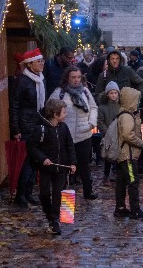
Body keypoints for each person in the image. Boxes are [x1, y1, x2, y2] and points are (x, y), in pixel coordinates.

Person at [27, 99, 77, 235]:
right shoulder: (41, 129)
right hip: (46, 168)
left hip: (61, 167)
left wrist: (72, 163)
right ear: (55, 114)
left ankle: (54, 219)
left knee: (58, 193)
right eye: (64, 112)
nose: (66, 115)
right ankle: (49, 214)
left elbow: (69, 145)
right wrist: (43, 159)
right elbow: (31, 146)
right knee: (44, 193)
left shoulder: (63, 128)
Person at [51, 66, 99, 200]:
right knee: (64, 164)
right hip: (66, 135)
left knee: (84, 164)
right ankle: (61, 192)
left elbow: (94, 107)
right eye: (73, 77)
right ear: (67, 78)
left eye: (78, 77)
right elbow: (51, 109)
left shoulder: (85, 92)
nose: (76, 80)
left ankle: (88, 191)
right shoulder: (59, 93)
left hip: (84, 133)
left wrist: (91, 123)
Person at [10, 48, 47, 208]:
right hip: (25, 125)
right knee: (26, 161)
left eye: (42, 61)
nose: (42, 64)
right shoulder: (22, 81)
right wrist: (15, 129)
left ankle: (29, 192)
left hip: (36, 123)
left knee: (34, 160)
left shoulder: (41, 79)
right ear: (30, 64)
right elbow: (15, 106)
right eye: (39, 61)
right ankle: (21, 194)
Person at [114, 87, 143, 219]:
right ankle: (135, 209)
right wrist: (141, 143)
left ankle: (120, 207)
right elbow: (128, 135)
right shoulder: (127, 116)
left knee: (121, 182)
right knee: (133, 181)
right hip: (127, 155)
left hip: (122, 155)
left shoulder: (124, 113)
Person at [98, 81, 121, 186]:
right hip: (107, 134)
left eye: (115, 93)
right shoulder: (103, 107)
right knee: (108, 156)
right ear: (107, 94)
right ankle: (106, 175)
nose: (113, 95)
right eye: (111, 93)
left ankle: (116, 173)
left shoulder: (121, 105)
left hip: (119, 133)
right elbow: (100, 120)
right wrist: (105, 131)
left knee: (118, 155)